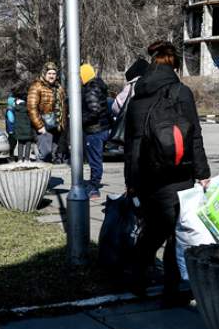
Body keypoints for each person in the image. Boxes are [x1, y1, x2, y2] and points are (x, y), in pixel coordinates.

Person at [124, 41, 210, 305]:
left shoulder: (137, 95)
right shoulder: (180, 92)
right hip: (176, 174)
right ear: (174, 63)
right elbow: (193, 135)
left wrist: (131, 181)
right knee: (177, 233)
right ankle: (172, 291)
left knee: (152, 230)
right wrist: (203, 172)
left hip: (145, 175)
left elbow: (130, 144)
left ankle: (137, 279)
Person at [80, 63, 109, 199]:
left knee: (95, 160)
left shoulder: (91, 89)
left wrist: (79, 119)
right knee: (95, 158)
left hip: (94, 130)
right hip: (100, 128)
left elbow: (94, 110)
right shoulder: (98, 86)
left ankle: (93, 188)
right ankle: (93, 184)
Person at [26, 62, 66, 162]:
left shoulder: (58, 87)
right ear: (44, 73)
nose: (52, 76)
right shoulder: (37, 86)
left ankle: (47, 177)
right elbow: (31, 108)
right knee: (44, 154)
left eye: (54, 73)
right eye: (49, 73)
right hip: (44, 127)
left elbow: (63, 105)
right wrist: (40, 126)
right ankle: (39, 176)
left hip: (57, 127)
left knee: (51, 155)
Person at [5, 93, 18, 160]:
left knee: (13, 142)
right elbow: (11, 120)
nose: (15, 103)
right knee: (12, 142)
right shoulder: (10, 110)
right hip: (11, 129)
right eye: (14, 102)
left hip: (11, 129)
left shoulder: (10, 109)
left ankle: (11, 154)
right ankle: (10, 155)